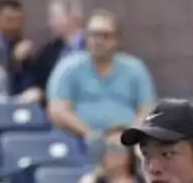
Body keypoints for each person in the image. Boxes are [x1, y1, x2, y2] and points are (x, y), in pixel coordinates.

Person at [46, 10, 156, 139]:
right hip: (78, 141)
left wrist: (131, 136)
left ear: (117, 39)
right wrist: (91, 134)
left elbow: (147, 109)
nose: (99, 41)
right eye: (93, 35)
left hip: (126, 144)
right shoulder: (67, 68)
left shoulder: (136, 68)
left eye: (106, 36)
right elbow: (58, 111)